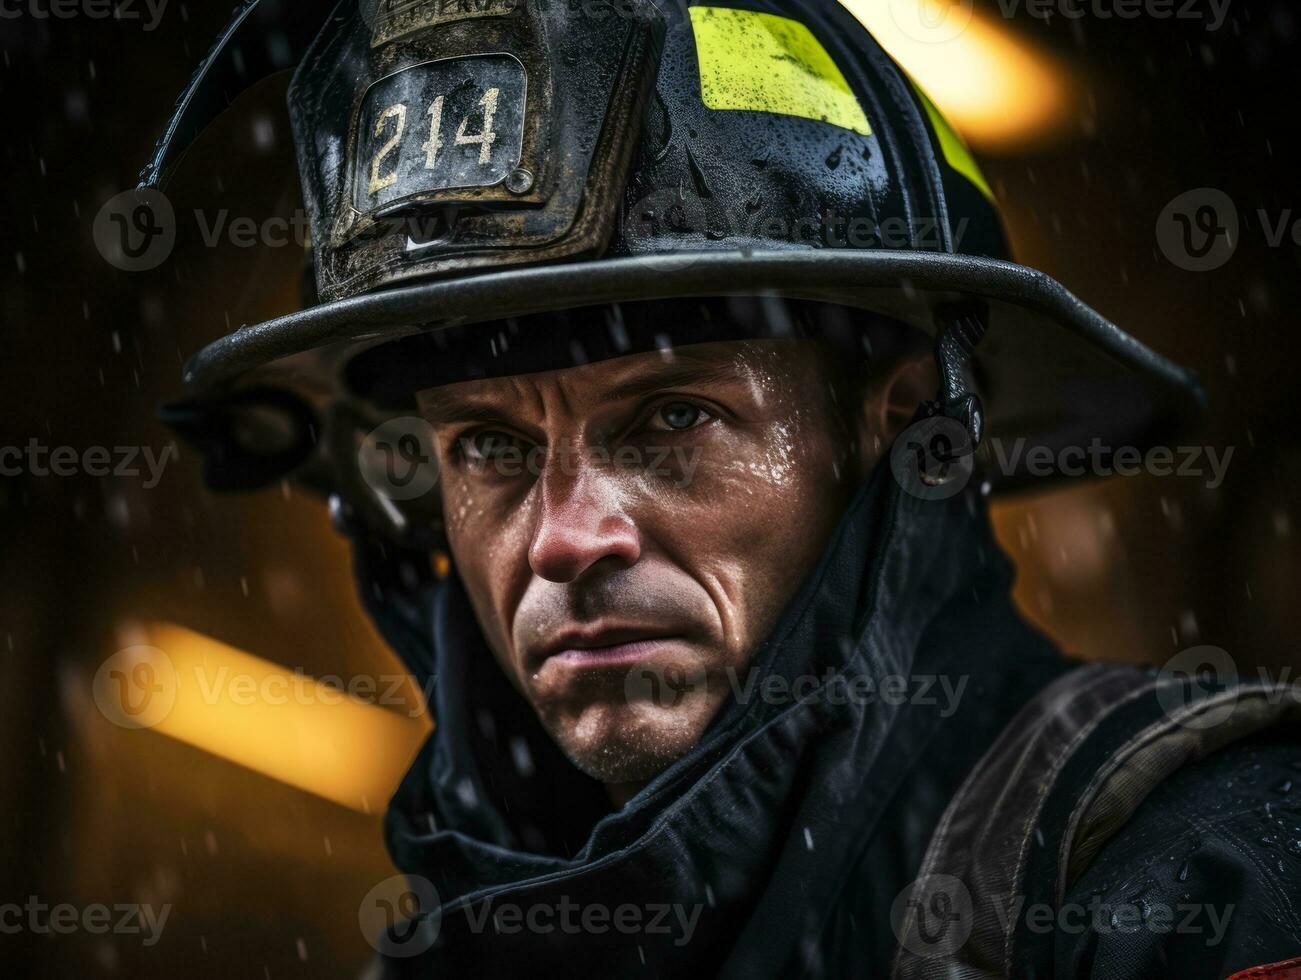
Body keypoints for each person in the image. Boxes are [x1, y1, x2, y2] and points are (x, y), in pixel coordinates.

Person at [140, 0, 1301, 976]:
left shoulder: (1201, 872)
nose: (565, 539)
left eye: (670, 419)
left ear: (893, 427)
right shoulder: (466, 933)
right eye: (489, 447)